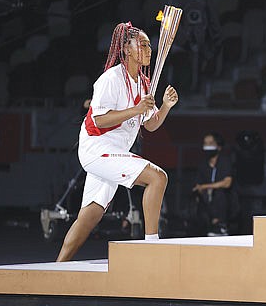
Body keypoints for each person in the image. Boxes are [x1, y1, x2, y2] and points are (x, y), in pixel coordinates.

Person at [57, 22, 178, 262]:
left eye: (149, 45)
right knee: (157, 177)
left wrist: (165, 106)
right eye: (142, 44)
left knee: (89, 216)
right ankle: (152, 246)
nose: (148, 49)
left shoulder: (144, 84)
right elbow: (100, 120)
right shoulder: (110, 79)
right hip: (97, 148)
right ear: (127, 50)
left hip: (113, 153)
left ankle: (57, 268)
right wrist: (135, 109)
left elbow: (150, 125)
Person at [193, 132, 233, 236]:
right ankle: (209, 226)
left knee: (219, 193)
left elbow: (227, 183)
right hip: (207, 199)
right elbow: (198, 185)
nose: (207, 146)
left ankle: (220, 225)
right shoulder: (203, 164)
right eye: (205, 143)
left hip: (224, 198)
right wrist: (203, 189)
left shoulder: (225, 161)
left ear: (218, 146)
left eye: (210, 143)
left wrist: (206, 187)